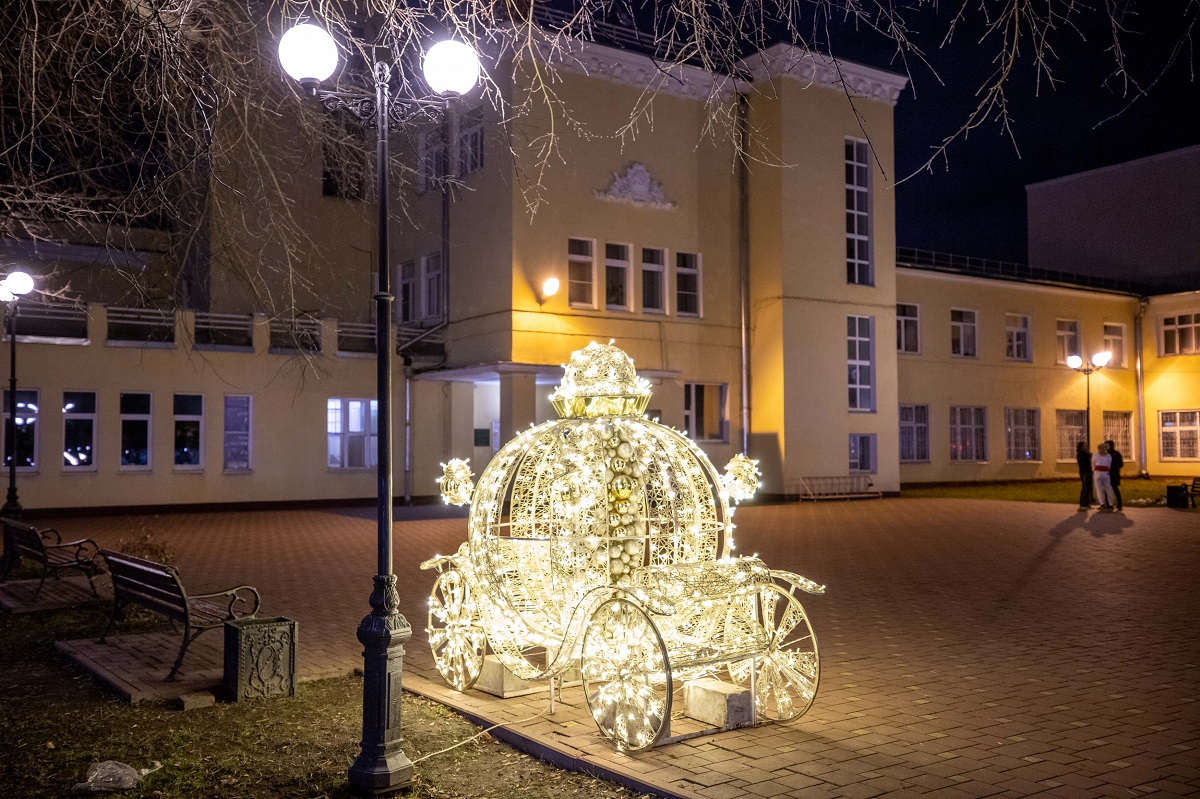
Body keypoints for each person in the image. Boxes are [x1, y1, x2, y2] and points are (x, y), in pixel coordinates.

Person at [1092, 442, 1116, 512]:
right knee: (1108, 489)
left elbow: (1093, 463)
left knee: (1099, 489)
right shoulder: (1109, 456)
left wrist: (1095, 470)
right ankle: (1111, 505)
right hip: (1106, 473)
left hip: (1097, 472)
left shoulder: (1095, 455)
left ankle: (1102, 504)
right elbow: (1109, 465)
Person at [1106, 439, 1124, 511]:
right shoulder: (1105, 454)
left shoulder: (1115, 454)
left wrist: (1114, 467)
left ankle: (1119, 504)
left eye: (1107, 445)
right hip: (1108, 474)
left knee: (1114, 488)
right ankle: (1110, 504)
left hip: (1113, 473)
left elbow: (1120, 464)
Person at [1076, 441, 1093, 510]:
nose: (1087, 446)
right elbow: (1088, 459)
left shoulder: (1083, 454)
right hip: (1085, 472)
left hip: (1086, 472)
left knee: (1088, 488)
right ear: (1082, 447)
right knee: (1085, 488)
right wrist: (1089, 454)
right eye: (1085, 445)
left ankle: (1086, 503)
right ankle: (1083, 503)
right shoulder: (1081, 454)